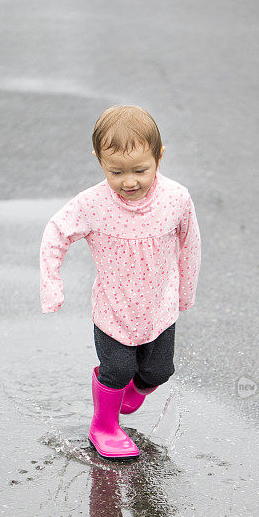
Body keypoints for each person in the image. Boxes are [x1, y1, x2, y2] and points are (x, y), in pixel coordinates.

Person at [39, 105, 201, 459]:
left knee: (158, 371)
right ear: (99, 161)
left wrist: (185, 294)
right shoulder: (92, 204)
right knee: (118, 369)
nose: (130, 181)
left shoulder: (176, 199)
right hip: (114, 308)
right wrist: (52, 285)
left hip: (159, 308)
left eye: (141, 170)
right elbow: (56, 234)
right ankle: (104, 426)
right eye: (116, 171)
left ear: (159, 156)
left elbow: (190, 245)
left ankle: (127, 395)